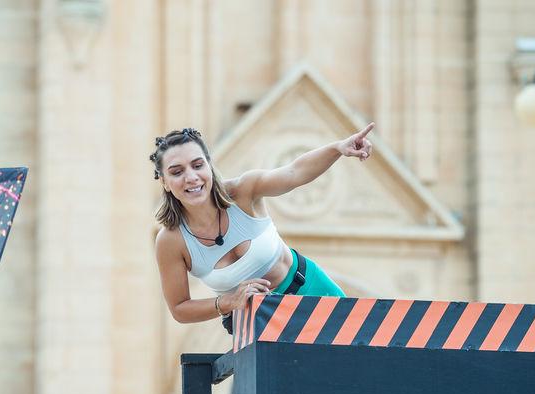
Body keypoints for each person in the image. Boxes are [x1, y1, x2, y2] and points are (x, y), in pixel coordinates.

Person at [151, 124, 374, 333]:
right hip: (256, 324)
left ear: (209, 166)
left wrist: (337, 148)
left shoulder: (243, 191)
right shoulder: (171, 241)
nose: (191, 177)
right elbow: (179, 308)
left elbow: (294, 173)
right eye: (177, 172)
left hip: (311, 292)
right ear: (164, 182)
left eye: (198, 165)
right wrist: (228, 301)